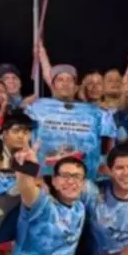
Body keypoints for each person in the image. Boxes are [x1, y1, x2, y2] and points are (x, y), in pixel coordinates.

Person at [28, 47, 117, 177]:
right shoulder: (37, 107)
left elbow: (108, 145)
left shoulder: (97, 112)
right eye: (60, 80)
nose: (65, 83)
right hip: (45, 177)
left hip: (84, 178)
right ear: (53, 85)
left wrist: (105, 167)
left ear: (76, 87)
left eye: (69, 80)